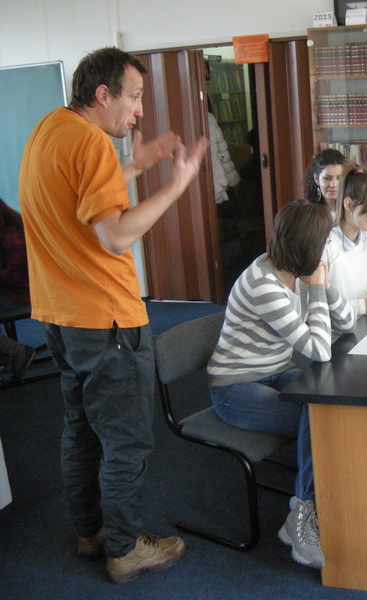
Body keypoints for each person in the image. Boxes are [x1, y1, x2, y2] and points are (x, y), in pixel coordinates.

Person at [18, 47, 208, 582]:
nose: (141, 110)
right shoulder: (92, 144)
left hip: (59, 318)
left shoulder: (50, 130)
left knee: (80, 429)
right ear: (103, 94)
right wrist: (175, 185)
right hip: (106, 322)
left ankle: (92, 532)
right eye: (135, 96)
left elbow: (78, 197)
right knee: (127, 442)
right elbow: (115, 235)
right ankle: (124, 550)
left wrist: (137, 165)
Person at [207, 200, 356, 570]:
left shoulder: (299, 271)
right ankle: (303, 513)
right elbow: (319, 350)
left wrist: (324, 284)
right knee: (318, 416)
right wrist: (317, 289)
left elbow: (348, 321)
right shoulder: (264, 284)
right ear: (307, 246)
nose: (327, 248)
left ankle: (326, 499)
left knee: (329, 398)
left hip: (274, 372)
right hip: (234, 387)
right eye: (323, 242)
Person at [322, 164, 367, 316]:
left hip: (365, 319)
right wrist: (364, 305)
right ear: (348, 205)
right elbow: (320, 305)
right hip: (338, 326)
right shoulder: (326, 245)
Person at [0, 198, 36, 381]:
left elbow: (18, 277)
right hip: (16, 291)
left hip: (24, 294)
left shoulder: (13, 239)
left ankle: (15, 352)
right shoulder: (11, 229)